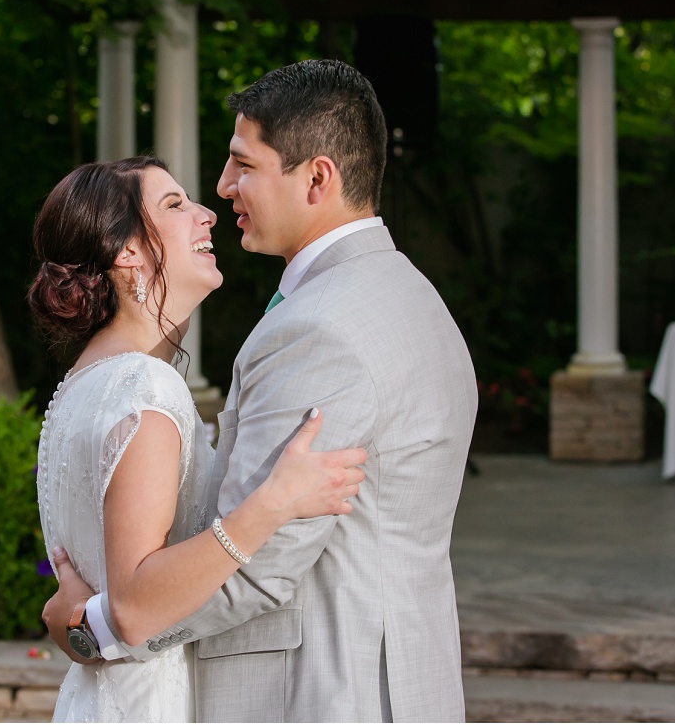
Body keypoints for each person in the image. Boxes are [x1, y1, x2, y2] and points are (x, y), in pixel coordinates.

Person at [43, 60, 478, 722]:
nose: (220, 190)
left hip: (324, 692)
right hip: (396, 679)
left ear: (317, 177)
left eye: (242, 165)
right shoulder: (410, 296)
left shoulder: (318, 329)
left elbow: (257, 568)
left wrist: (92, 625)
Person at [28, 155, 367, 722]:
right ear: (126, 251)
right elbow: (135, 606)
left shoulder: (80, 384)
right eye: (174, 205)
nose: (206, 214)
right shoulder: (144, 387)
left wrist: (76, 630)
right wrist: (274, 503)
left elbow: (98, 612)